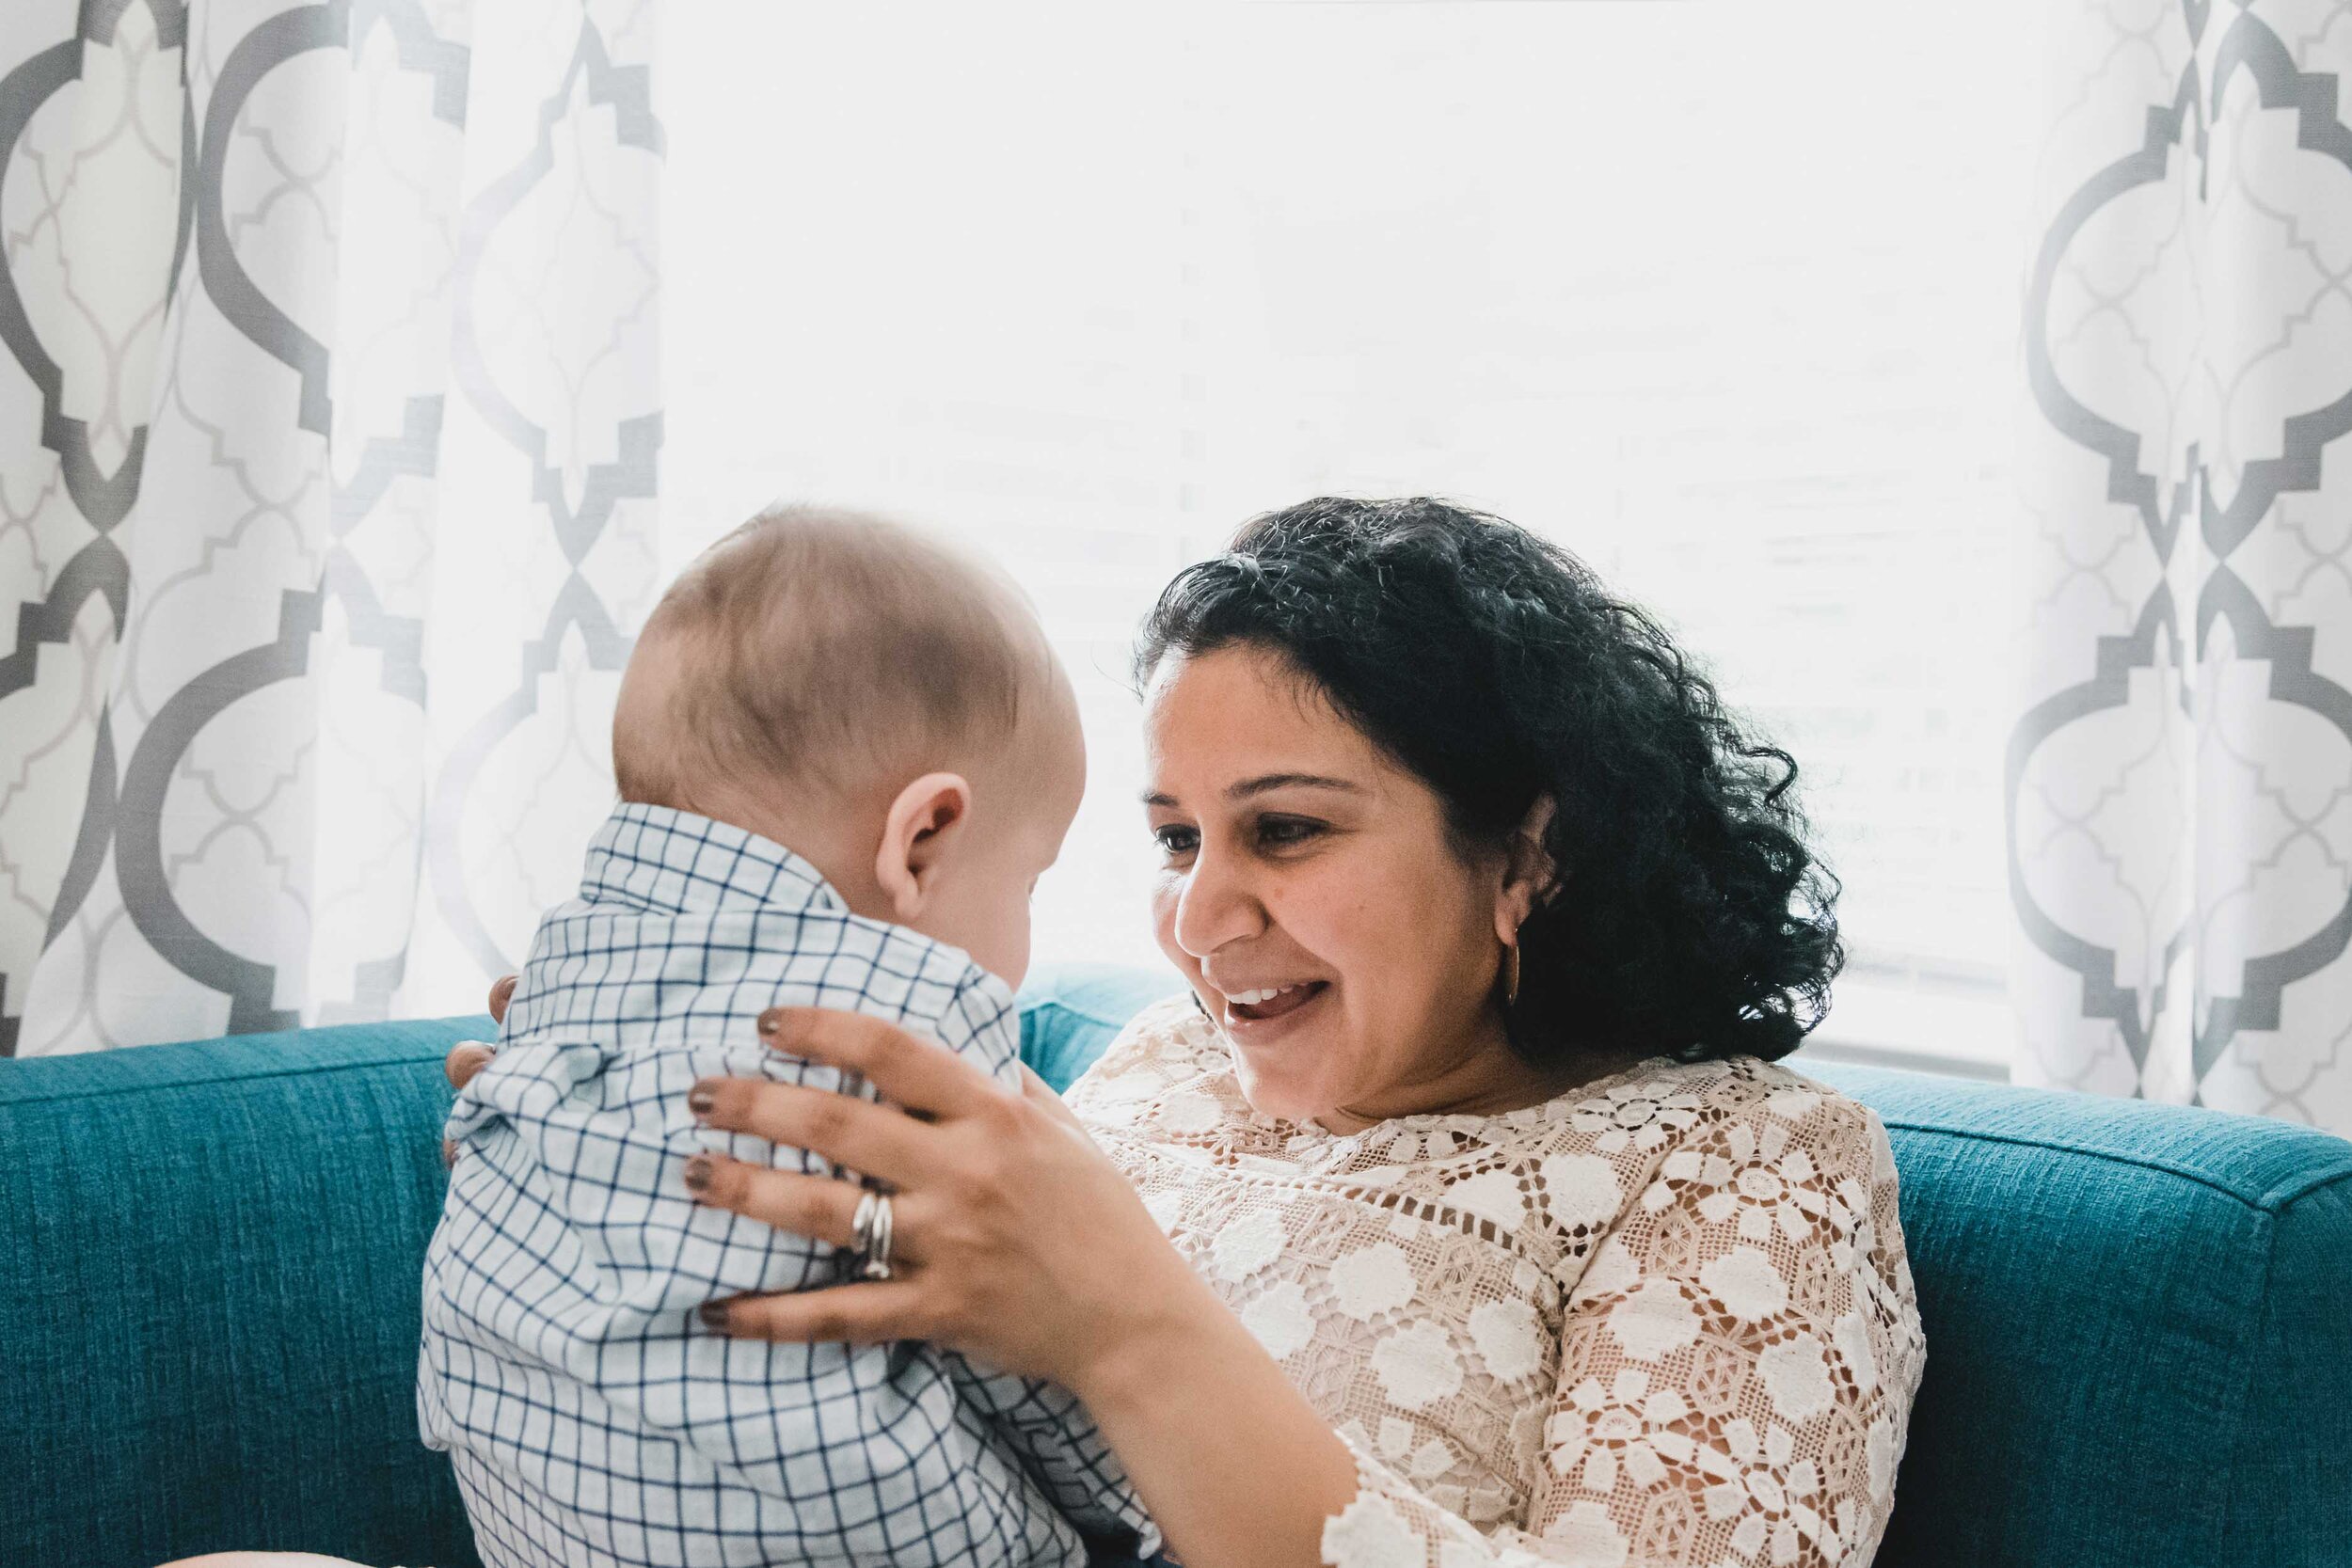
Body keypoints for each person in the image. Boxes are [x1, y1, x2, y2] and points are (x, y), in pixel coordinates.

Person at [207, 495, 1925, 1568]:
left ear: (1526, 852)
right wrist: (639, 1127)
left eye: (1291, 829)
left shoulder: (1738, 1161)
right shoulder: (1160, 1070)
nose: (1199, 916)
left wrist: (1131, 1322)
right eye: (1177, 838)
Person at [418, 506, 1155, 1568]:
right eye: (1029, 879)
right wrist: (1137, 1496)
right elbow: (1035, 1353)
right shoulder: (898, 1021)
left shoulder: (555, 979)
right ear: (925, 837)